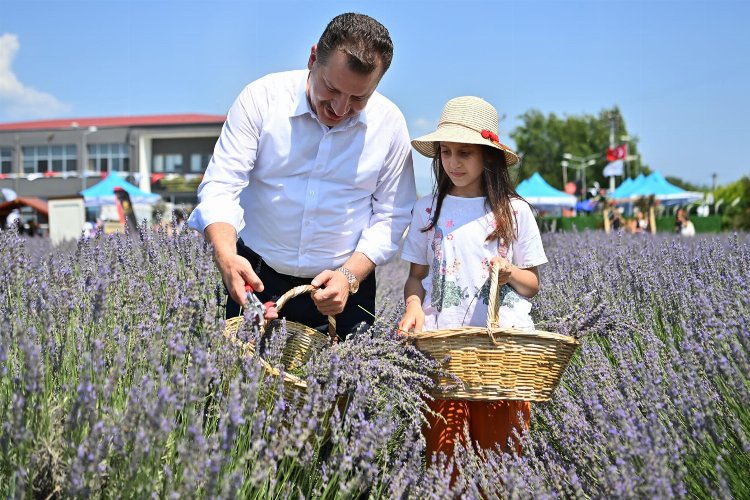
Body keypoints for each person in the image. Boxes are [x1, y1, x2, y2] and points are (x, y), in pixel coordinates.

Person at [188, 13, 416, 337]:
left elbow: (392, 216)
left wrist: (349, 276)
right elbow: (221, 186)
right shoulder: (262, 99)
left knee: (345, 388)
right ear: (312, 59)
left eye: (358, 98)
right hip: (257, 277)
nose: (340, 107)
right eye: (332, 88)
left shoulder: (389, 124)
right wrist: (226, 256)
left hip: (345, 290)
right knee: (245, 384)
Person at [397, 96, 547, 464]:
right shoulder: (428, 209)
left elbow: (533, 283)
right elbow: (416, 277)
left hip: (499, 352)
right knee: (442, 457)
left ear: (488, 157)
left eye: (465, 153)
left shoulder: (514, 212)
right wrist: (413, 305)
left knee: (497, 458)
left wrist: (510, 272)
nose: (453, 163)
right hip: (441, 347)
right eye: (446, 153)